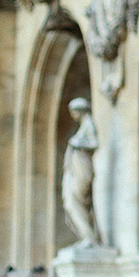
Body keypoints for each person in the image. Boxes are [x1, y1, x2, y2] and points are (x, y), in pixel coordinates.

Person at [62, 98, 101, 247]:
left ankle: (90, 237)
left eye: (73, 111)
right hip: (76, 169)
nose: (72, 114)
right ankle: (86, 236)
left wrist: (76, 143)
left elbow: (94, 143)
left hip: (83, 169)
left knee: (76, 201)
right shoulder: (83, 127)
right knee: (70, 203)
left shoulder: (89, 124)